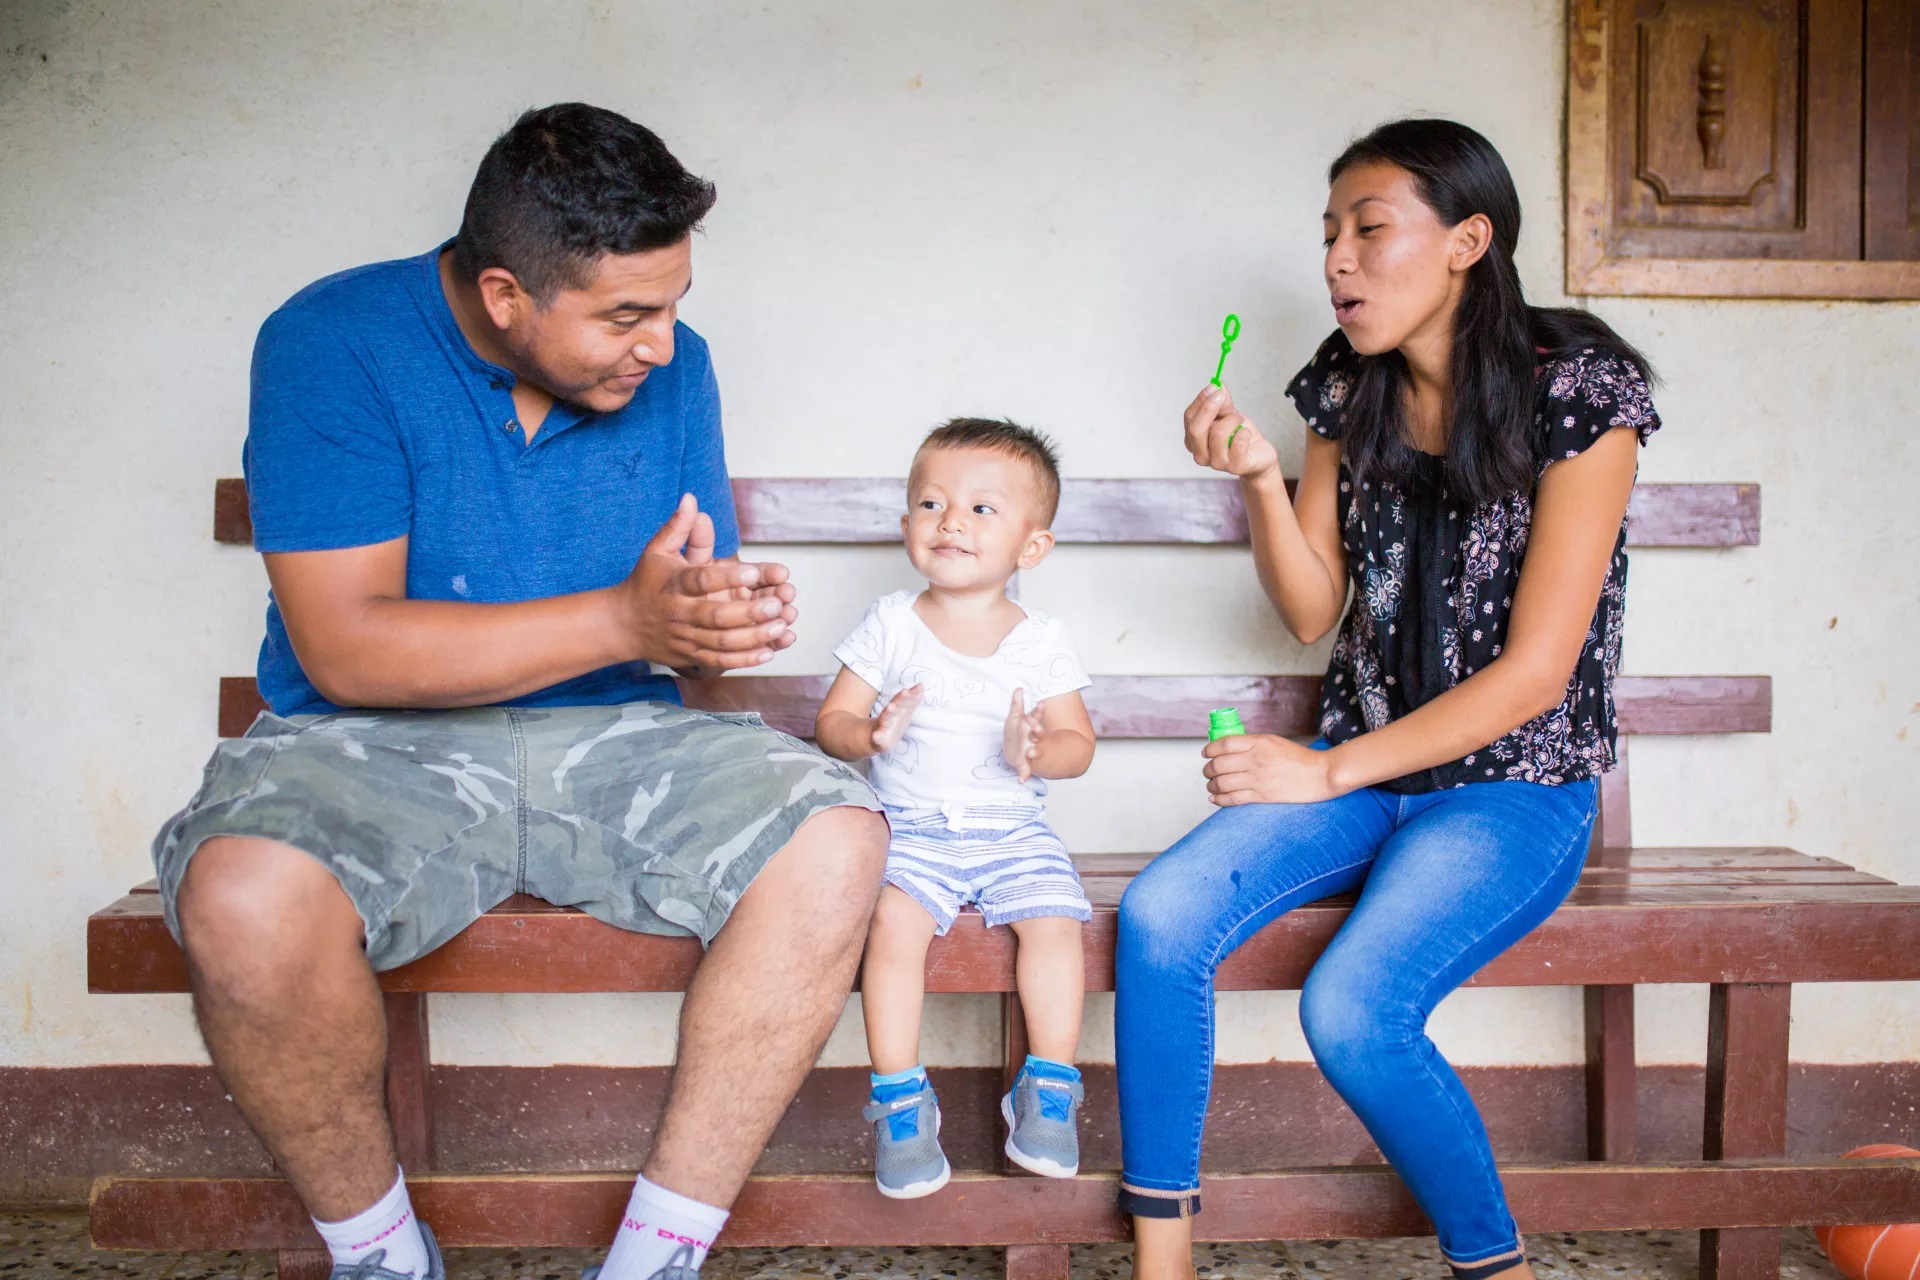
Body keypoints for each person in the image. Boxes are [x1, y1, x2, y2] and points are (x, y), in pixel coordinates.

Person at [150, 103, 888, 1280]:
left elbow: (681, 619)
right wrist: (625, 616)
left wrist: (710, 624)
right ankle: (384, 1255)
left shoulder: (675, 366)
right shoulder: (330, 341)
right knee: (241, 896)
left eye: (675, 303)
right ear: (505, 295)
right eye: (626, 314)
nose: (663, 342)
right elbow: (345, 650)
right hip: (364, 741)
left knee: (837, 836)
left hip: (621, 735)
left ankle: (655, 1257)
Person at [1114, 119, 1661, 1280]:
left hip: (1513, 791)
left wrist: (1319, 769)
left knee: (1355, 1008)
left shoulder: (1581, 394)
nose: (1338, 261)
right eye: (1328, 236)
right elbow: (1312, 610)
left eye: (1370, 230)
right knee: (1160, 921)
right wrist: (1264, 478)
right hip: (1366, 773)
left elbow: (1536, 675)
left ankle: (1495, 1267)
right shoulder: (1343, 388)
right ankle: (1161, 1265)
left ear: (1469, 240)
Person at [813, 419, 1097, 1199]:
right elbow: (831, 726)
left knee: (1055, 920)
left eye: (981, 509)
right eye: (932, 503)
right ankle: (901, 1100)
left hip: (1013, 830)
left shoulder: (1040, 641)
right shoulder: (891, 625)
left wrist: (1038, 750)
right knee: (891, 927)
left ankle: (1048, 1088)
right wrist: (867, 732)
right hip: (908, 829)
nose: (951, 522)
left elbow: (1080, 744)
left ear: (1030, 548)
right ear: (906, 525)